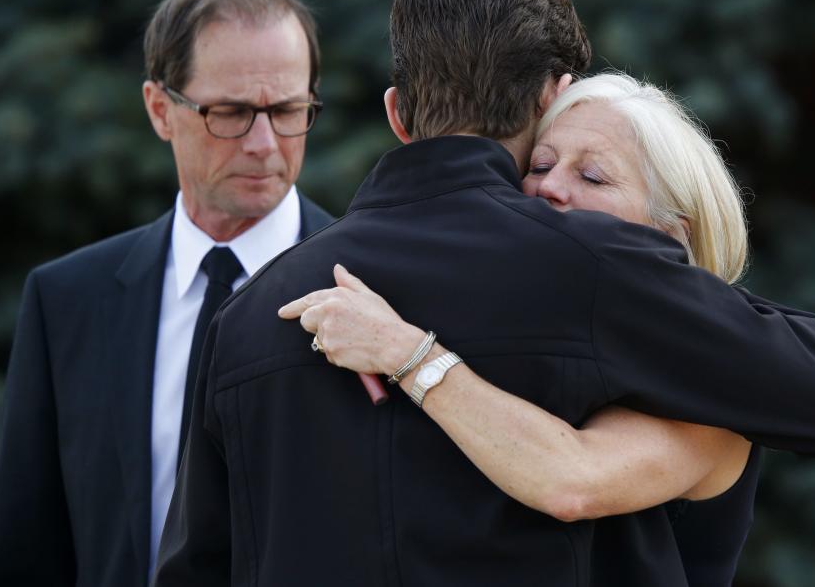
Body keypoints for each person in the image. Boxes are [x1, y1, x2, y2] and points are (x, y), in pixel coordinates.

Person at [154, 0, 815, 587]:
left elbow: (195, 570)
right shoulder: (589, 266)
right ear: (552, 96)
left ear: (398, 115)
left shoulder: (247, 316)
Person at [279, 72, 768, 585]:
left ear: (669, 238)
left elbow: (570, 483)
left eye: (594, 177)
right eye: (540, 164)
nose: (550, 188)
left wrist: (403, 350)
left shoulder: (712, 390)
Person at [0, 0, 334, 587]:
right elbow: (27, 544)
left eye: (288, 109)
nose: (264, 142)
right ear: (159, 109)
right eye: (231, 113)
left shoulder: (370, 289)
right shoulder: (67, 300)